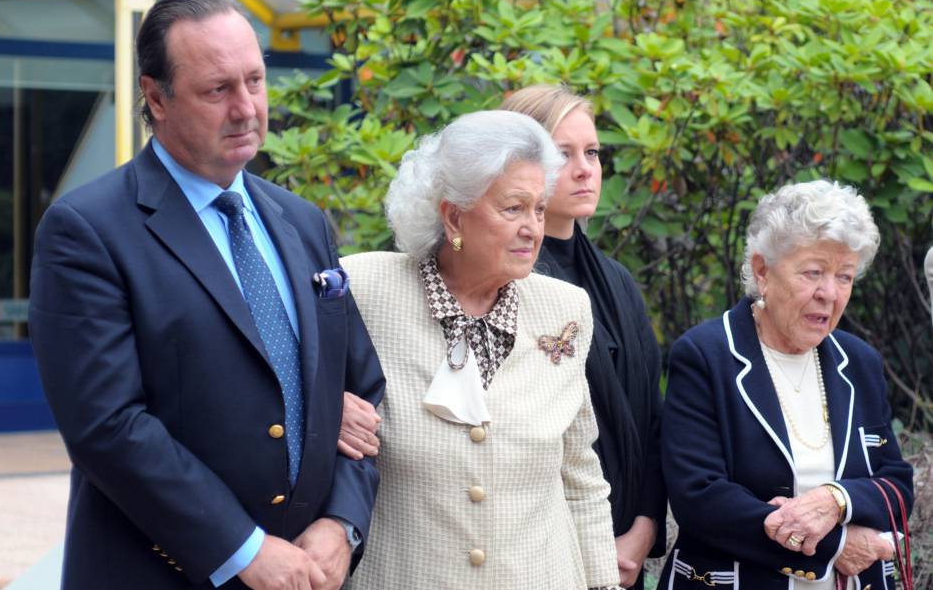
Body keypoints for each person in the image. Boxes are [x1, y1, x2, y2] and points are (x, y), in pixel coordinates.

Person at [27, 0, 384, 589]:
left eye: (255, 81)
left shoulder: (302, 222)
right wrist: (243, 551)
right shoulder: (86, 230)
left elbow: (362, 391)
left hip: (308, 571)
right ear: (156, 97)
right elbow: (107, 427)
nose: (246, 108)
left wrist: (342, 523)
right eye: (218, 90)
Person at [340, 110, 621, 589]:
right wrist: (325, 407)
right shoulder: (364, 289)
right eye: (513, 208)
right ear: (453, 214)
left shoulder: (565, 310)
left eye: (538, 208)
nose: (533, 228)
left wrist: (603, 584)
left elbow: (580, 475)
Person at [659, 180, 913, 589]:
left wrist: (835, 500)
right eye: (813, 272)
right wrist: (834, 544)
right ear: (762, 271)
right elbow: (699, 498)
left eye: (844, 277)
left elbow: (897, 484)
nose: (829, 293)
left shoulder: (860, 362)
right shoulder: (706, 355)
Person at [500, 84, 666, 590]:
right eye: (562, 154)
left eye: (591, 152)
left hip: (626, 547)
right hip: (539, 545)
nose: (584, 168)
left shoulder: (617, 281)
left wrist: (644, 526)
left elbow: (653, 418)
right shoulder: (506, 280)